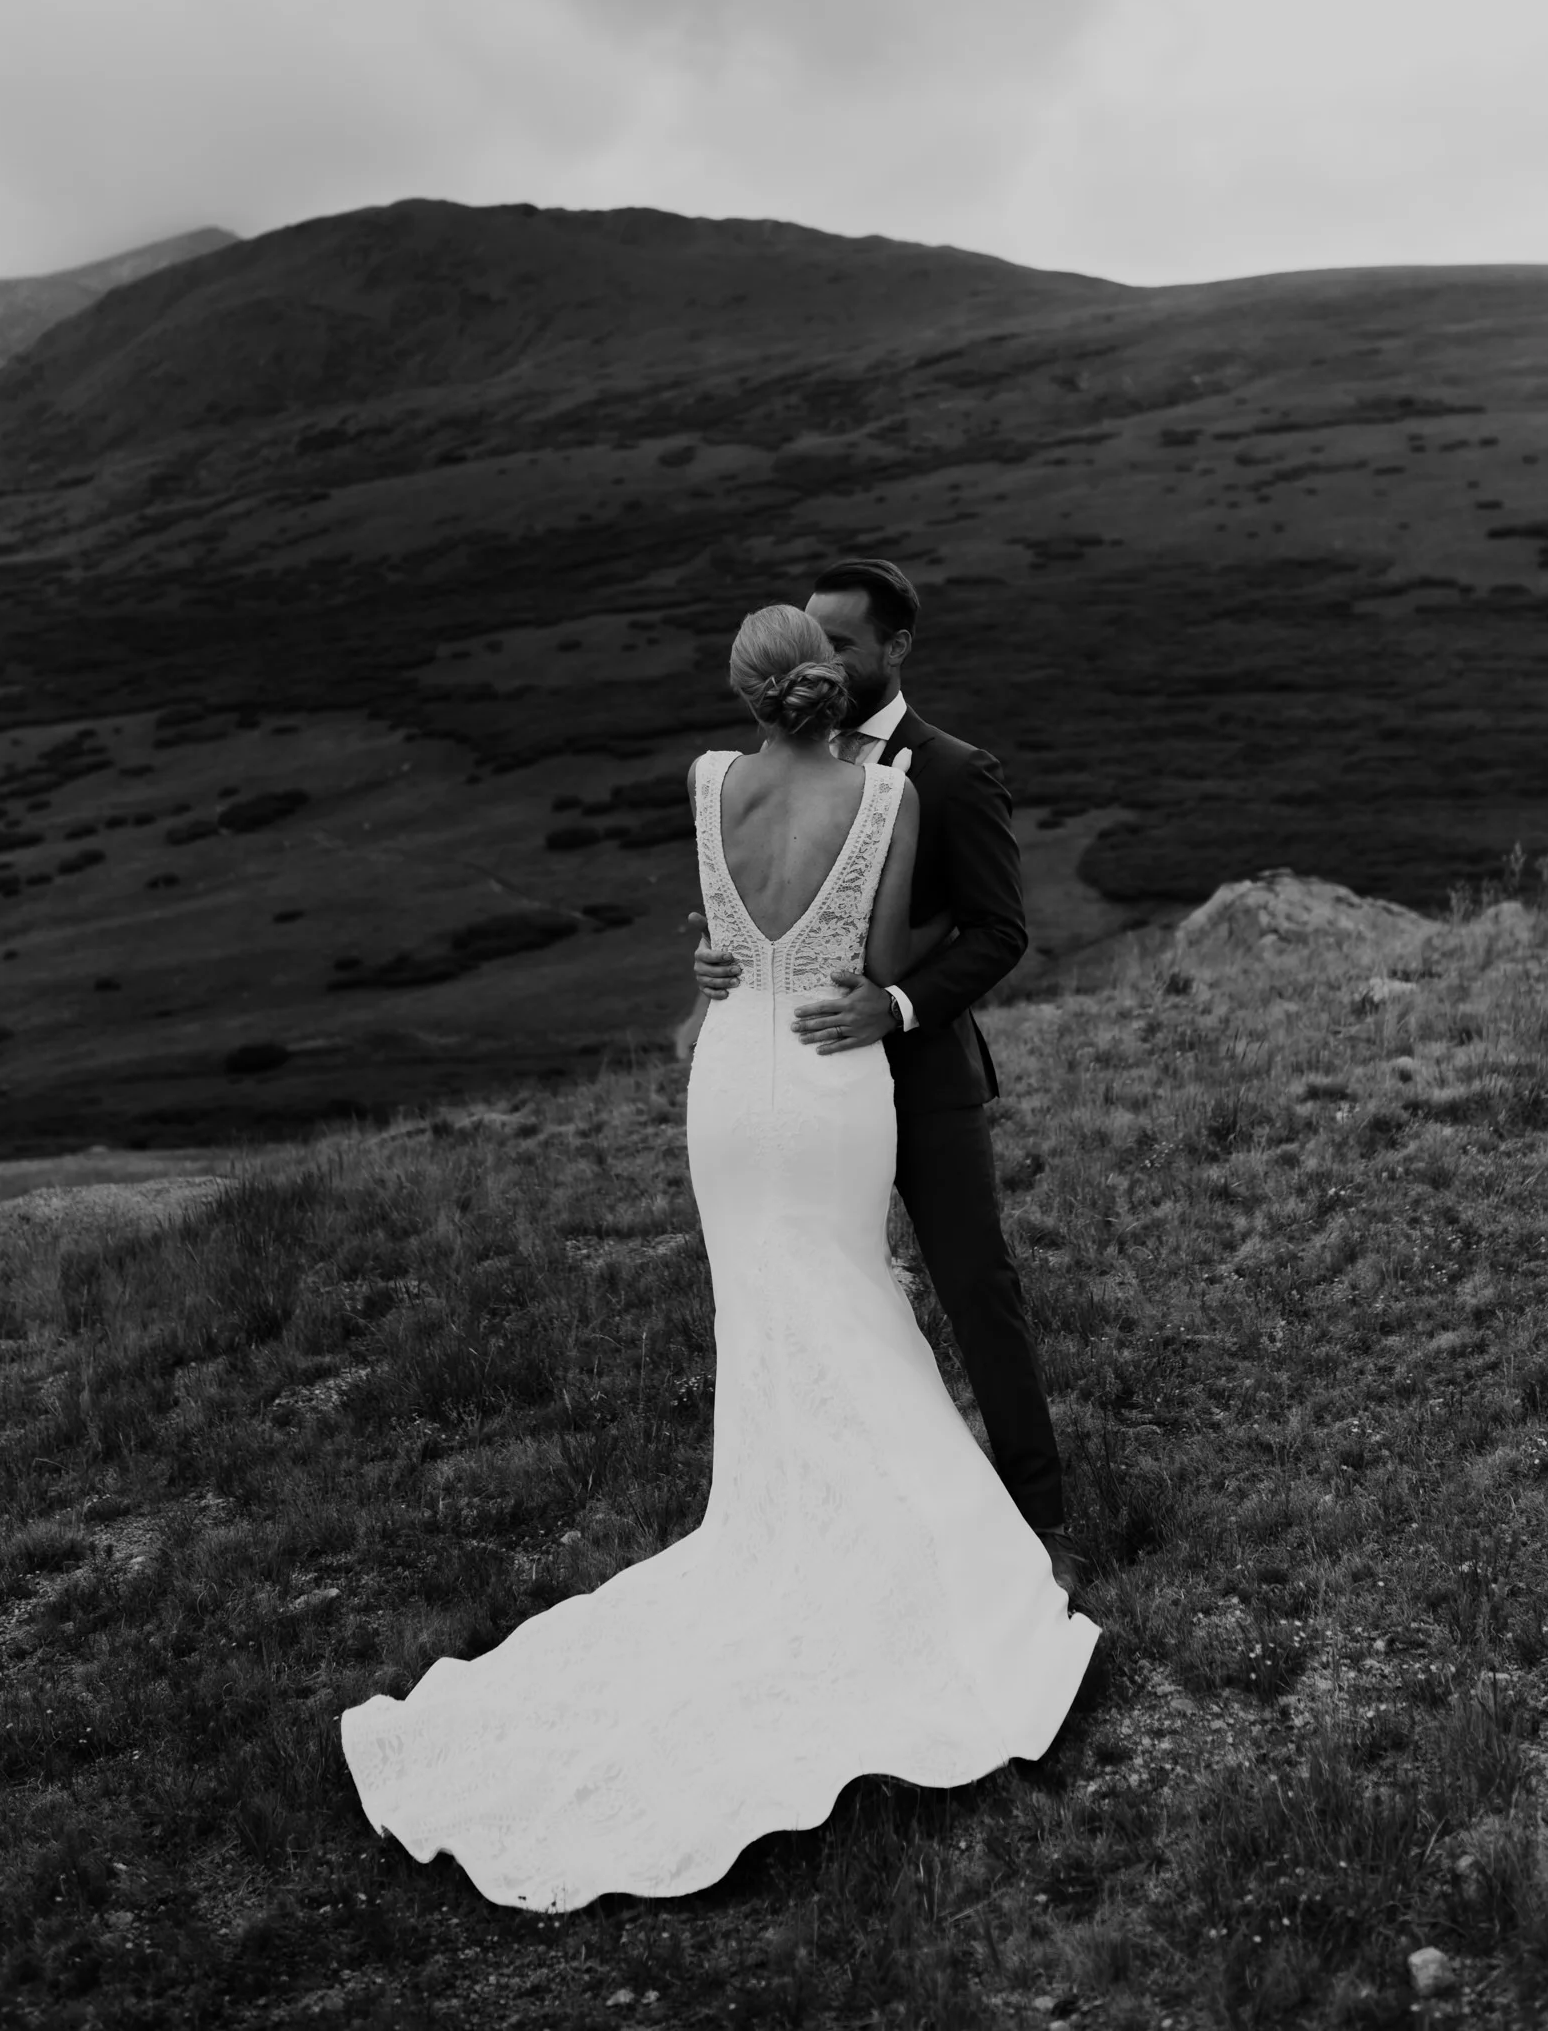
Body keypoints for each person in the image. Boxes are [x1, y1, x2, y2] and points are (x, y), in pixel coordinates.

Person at [340, 603, 1097, 1912]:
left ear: (747, 696)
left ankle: (794, 1529)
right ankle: (916, 1556)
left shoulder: (705, 785)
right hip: (827, 1072)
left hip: (731, 1084)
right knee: (853, 1304)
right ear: (827, 679)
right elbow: (858, 960)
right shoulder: (888, 797)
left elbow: (726, 950)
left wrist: (725, 957)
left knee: (771, 1321)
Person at [692, 558, 1081, 1596]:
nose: (825, 657)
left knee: (973, 1287)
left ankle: (1040, 1514)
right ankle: (840, 1511)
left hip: (920, 1075)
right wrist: (726, 951)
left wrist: (896, 1004)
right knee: (825, 1293)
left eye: (844, 644)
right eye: (813, 640)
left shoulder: (951, 771)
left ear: (895, 648)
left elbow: (1000, 931)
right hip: (807, 1088)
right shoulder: (763, 776)